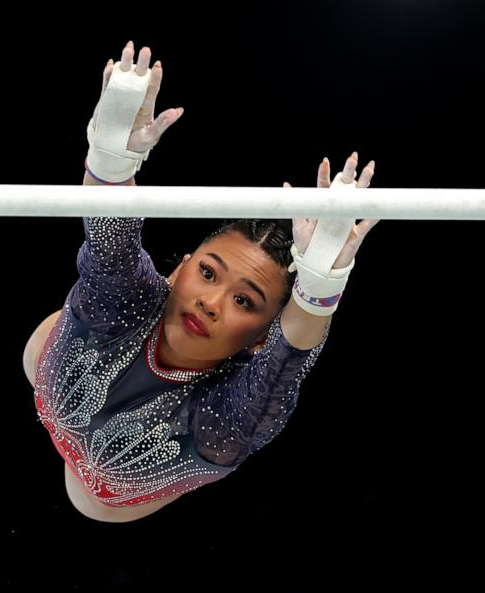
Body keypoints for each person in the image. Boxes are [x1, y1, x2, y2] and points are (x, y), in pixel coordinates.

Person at [23, 41, 378, 523]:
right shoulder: (127, 304)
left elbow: (289, 356)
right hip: (57, 366)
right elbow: (111, 239)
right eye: (208, 272)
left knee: (87, 503)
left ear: (260, 338)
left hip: (104, 493)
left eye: (244, 301)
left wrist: (319, 286)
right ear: (181, 267)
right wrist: (110, 157)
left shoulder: (223, 417)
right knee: (108, 280)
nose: (210, 302)